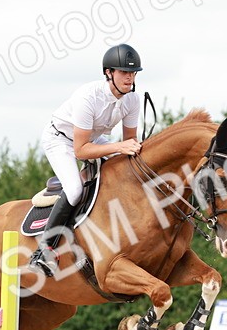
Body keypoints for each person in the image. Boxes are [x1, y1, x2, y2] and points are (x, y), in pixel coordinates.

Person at [28, 43, 145, 276]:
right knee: (74, 190)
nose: (129, 78)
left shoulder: (132, 100)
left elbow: (129, 143)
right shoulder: (88, 97)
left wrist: (131, 150)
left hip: (92, 139)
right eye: (124, 72)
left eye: (133, 73)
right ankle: (44, 250)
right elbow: (80, 151)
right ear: (108, 73)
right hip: (61, 140)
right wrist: (118, 147)